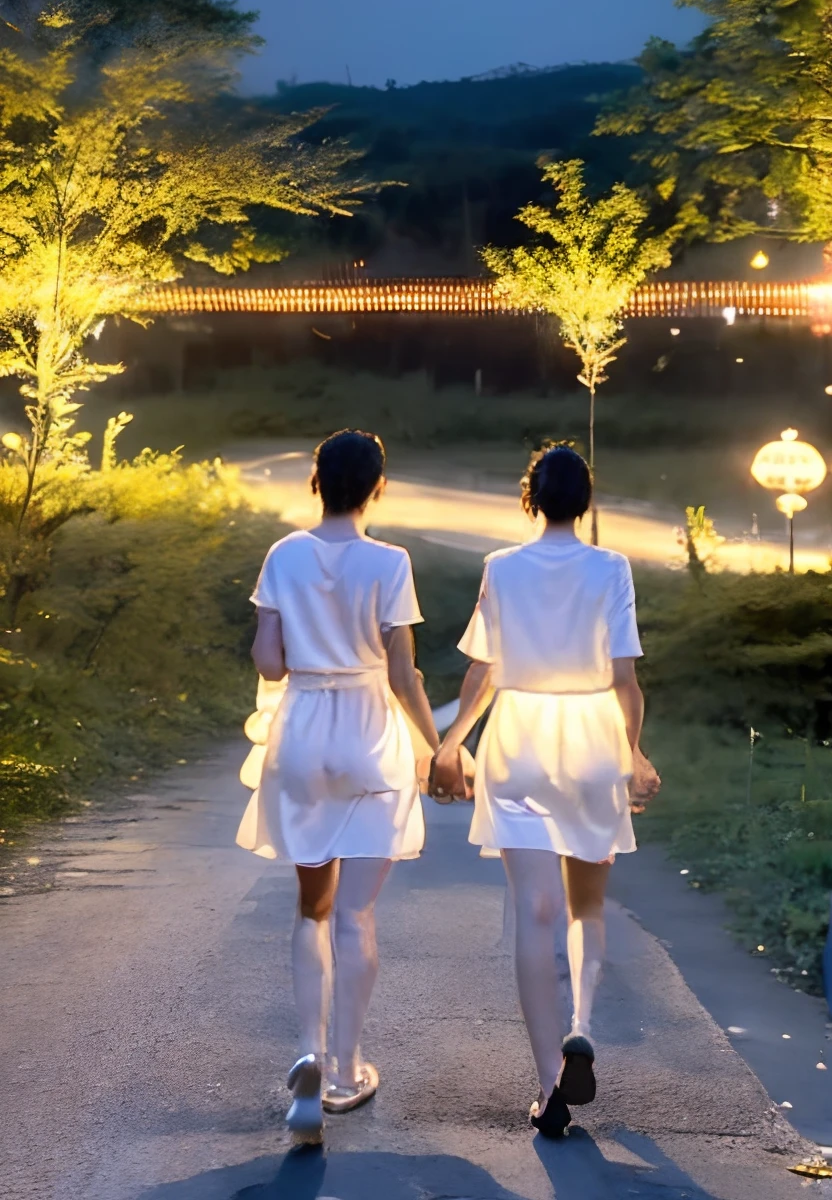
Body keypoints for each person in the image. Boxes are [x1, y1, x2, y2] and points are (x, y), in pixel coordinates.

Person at [430, 442, 661, 1139]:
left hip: (521, 739)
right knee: (586, 907)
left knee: (534, 913)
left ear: (528, 498)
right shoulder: (610, 567)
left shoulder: (503, 567)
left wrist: (452, 741)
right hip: (592, 737)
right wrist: (634, 753)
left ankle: (546, 1085)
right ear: (587, 502)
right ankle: (582, 1025)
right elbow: (624, 678)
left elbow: (484, 673)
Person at [237, 430, 440, 1146]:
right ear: (378, 487)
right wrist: (439, 749)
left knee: (310, 910)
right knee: (356, 916)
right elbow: (403, 675)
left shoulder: (284, 555)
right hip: (369, 730)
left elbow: (268, 664)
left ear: (314, 481)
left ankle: (309, 1054)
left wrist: (293, 641)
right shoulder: (390, 562)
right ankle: (349, 1070)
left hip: (303, 729)